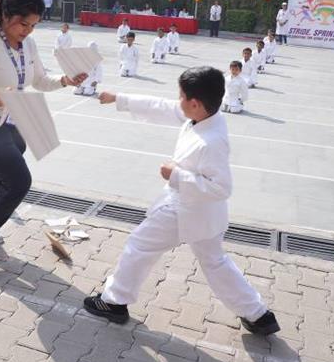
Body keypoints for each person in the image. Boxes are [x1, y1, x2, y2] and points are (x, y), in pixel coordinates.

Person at [83, 66, 280, 335]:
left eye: (181, 97)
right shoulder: (206, 117)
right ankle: (259, 316)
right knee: (215, 263)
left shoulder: (211, 141)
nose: (178, 101)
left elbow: (221, 188)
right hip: (204, 215)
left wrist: (175, 175)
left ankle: (114, 301)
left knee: (139, 246)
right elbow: (162, 107)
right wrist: (120, 99)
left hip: (184, 210)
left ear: (195, 103)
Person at [0, 0, 86, 257]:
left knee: (0, 180)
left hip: (11, 121)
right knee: (18, 181)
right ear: (6, 16)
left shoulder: (29, 45)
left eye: (33, 26)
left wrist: (65, 79)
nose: (27, 31)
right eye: (23, 24)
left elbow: (39, 80)